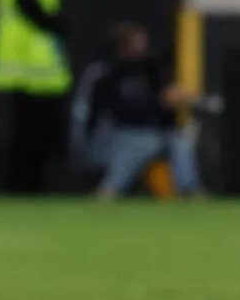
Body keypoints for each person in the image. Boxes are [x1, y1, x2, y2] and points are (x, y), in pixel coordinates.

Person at [0, 0, 71, 194]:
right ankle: (18, 189)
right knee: (24, 137)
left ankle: (37, 189)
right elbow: (39, 17)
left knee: (44, 139)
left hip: (47, 77)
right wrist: (59, 25)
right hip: (22, 74)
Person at [86, 22, 203, 199]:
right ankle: (110, 188)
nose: (142, 47)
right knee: (143, 143)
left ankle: (189, 192)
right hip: (123, 135)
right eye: (136, 42)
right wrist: (158, 103)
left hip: (156, 135)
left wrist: (176, 98)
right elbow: (115, 110)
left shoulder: (151, 68)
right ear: (124, 45)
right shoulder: (111, 73)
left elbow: (167, 94)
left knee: (180, 141)